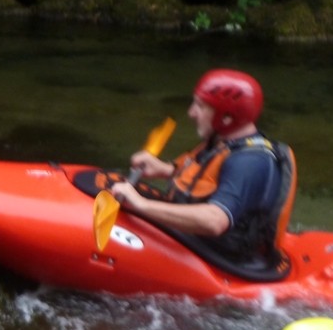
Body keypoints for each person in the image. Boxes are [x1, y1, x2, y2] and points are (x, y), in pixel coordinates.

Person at [109, 68, 295, 275]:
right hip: (198, 241)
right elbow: (204, 177)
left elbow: (214, 221)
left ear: (226, 117)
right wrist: (166, 169)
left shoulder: (251, 162)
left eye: (200, 106)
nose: (191, 113)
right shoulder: (223, 142)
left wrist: (141, 204)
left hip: (221, 257)